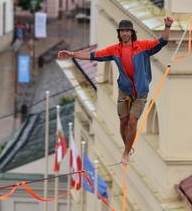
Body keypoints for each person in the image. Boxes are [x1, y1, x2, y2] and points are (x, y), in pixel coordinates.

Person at [58, 17, 174, 165]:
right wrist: (72, 54)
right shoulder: (115, 50)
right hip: (124, 91)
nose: (125, 33)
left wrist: (167, 26)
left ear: (132, 33)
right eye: (122, 31)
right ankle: (127, 145)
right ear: (119, 34)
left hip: (140, 92)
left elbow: (162, 41)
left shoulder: (143, 47)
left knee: (132, 122)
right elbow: (93, 56)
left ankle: (126, 153)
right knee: (123, 122)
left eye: (127, 31)